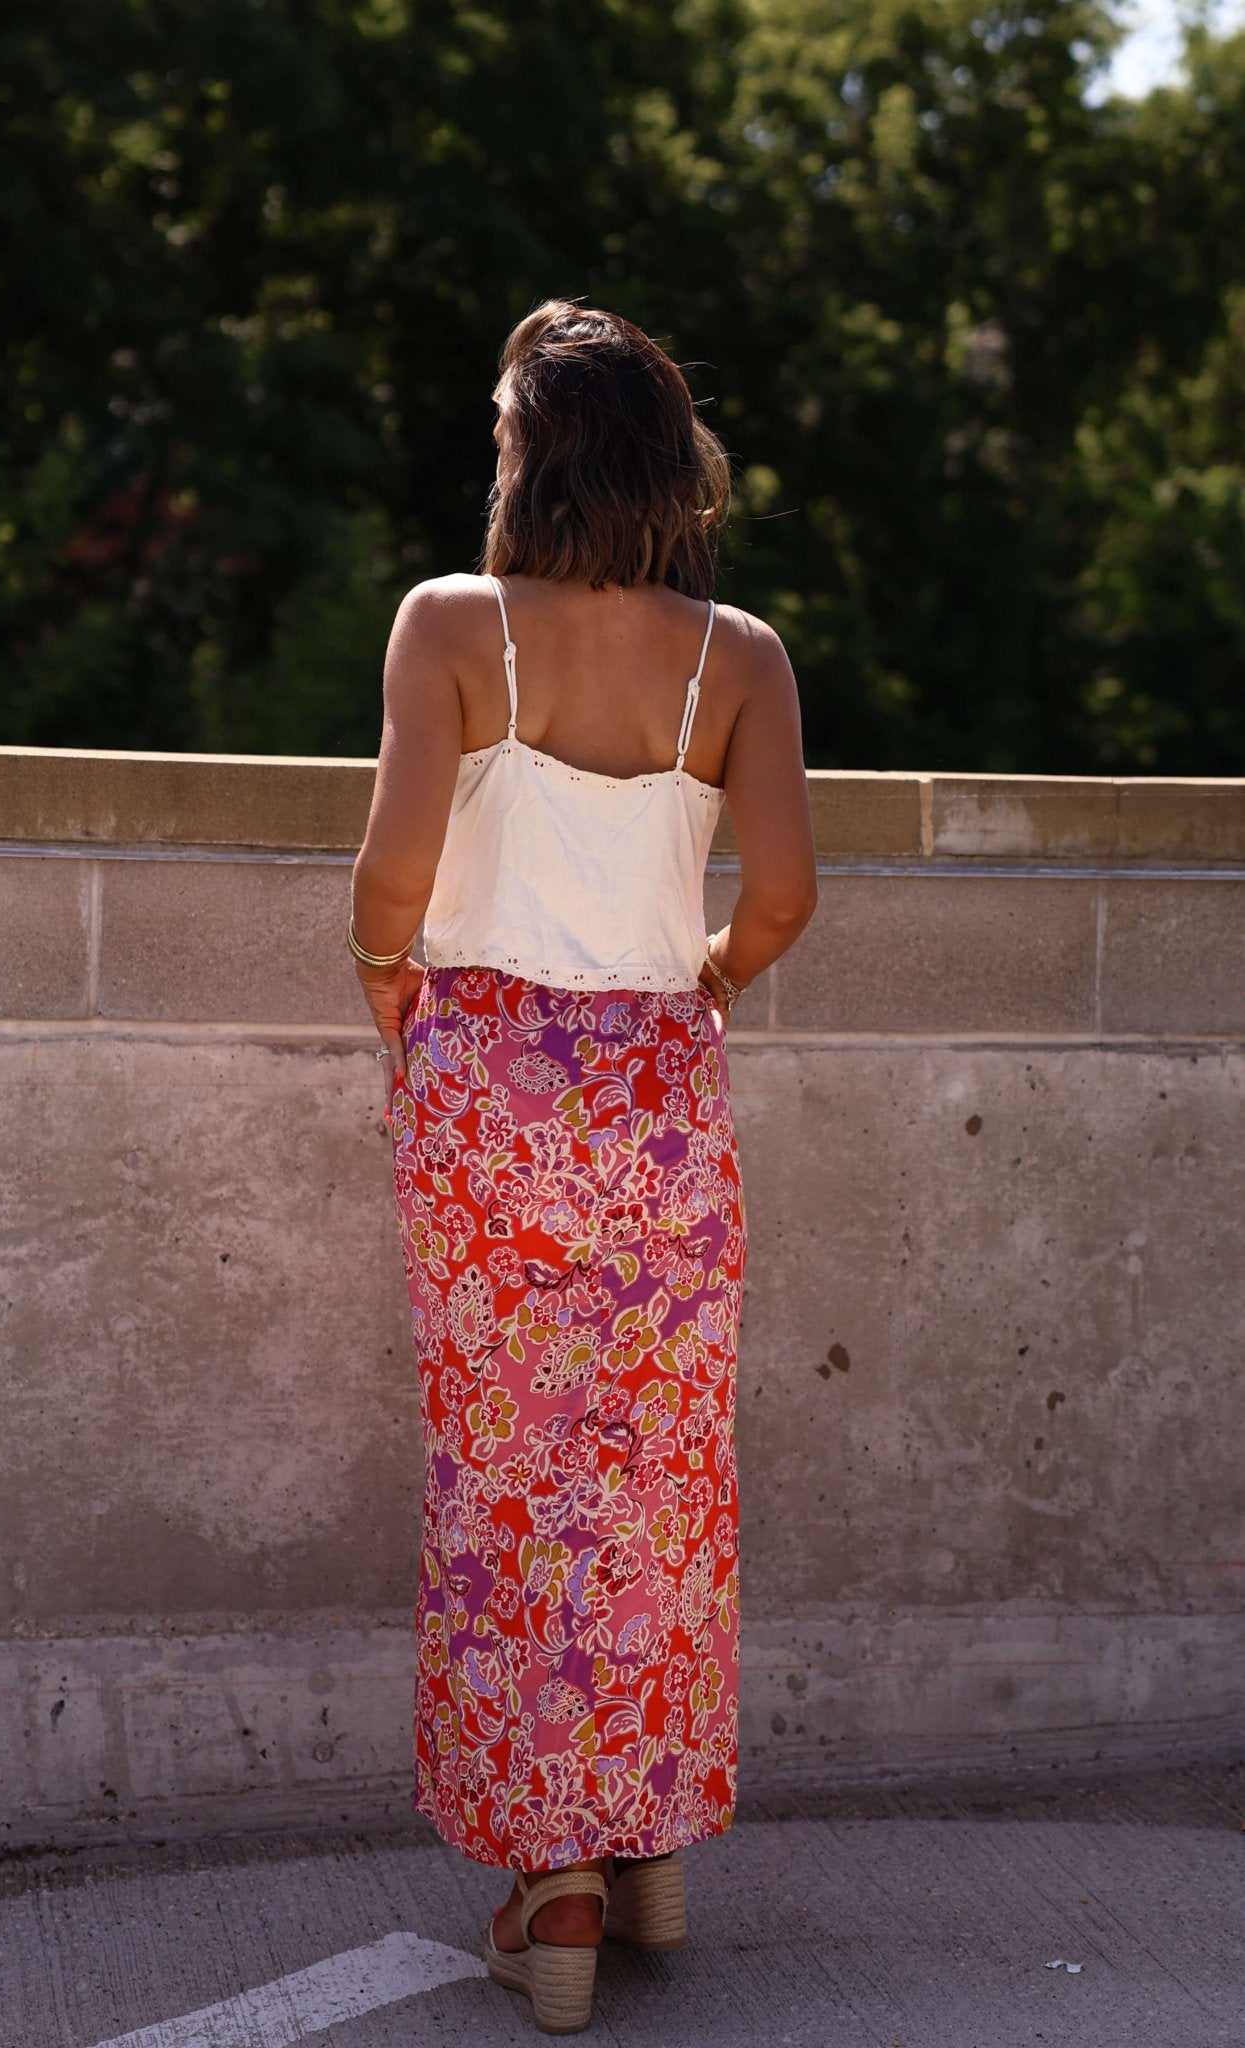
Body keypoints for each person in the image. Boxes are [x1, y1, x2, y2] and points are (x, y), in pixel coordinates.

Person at [349, 298, 817, 2033]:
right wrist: (695, 985)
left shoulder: (453, 625)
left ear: (531, 451)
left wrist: (386, 989)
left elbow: (392, 878)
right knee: (655, 1483)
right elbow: (778, 899)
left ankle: (549, 1880)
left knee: (506, 1481)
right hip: (660, 1092)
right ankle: (647, 1843)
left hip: (484, 1083)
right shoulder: (741, 655)